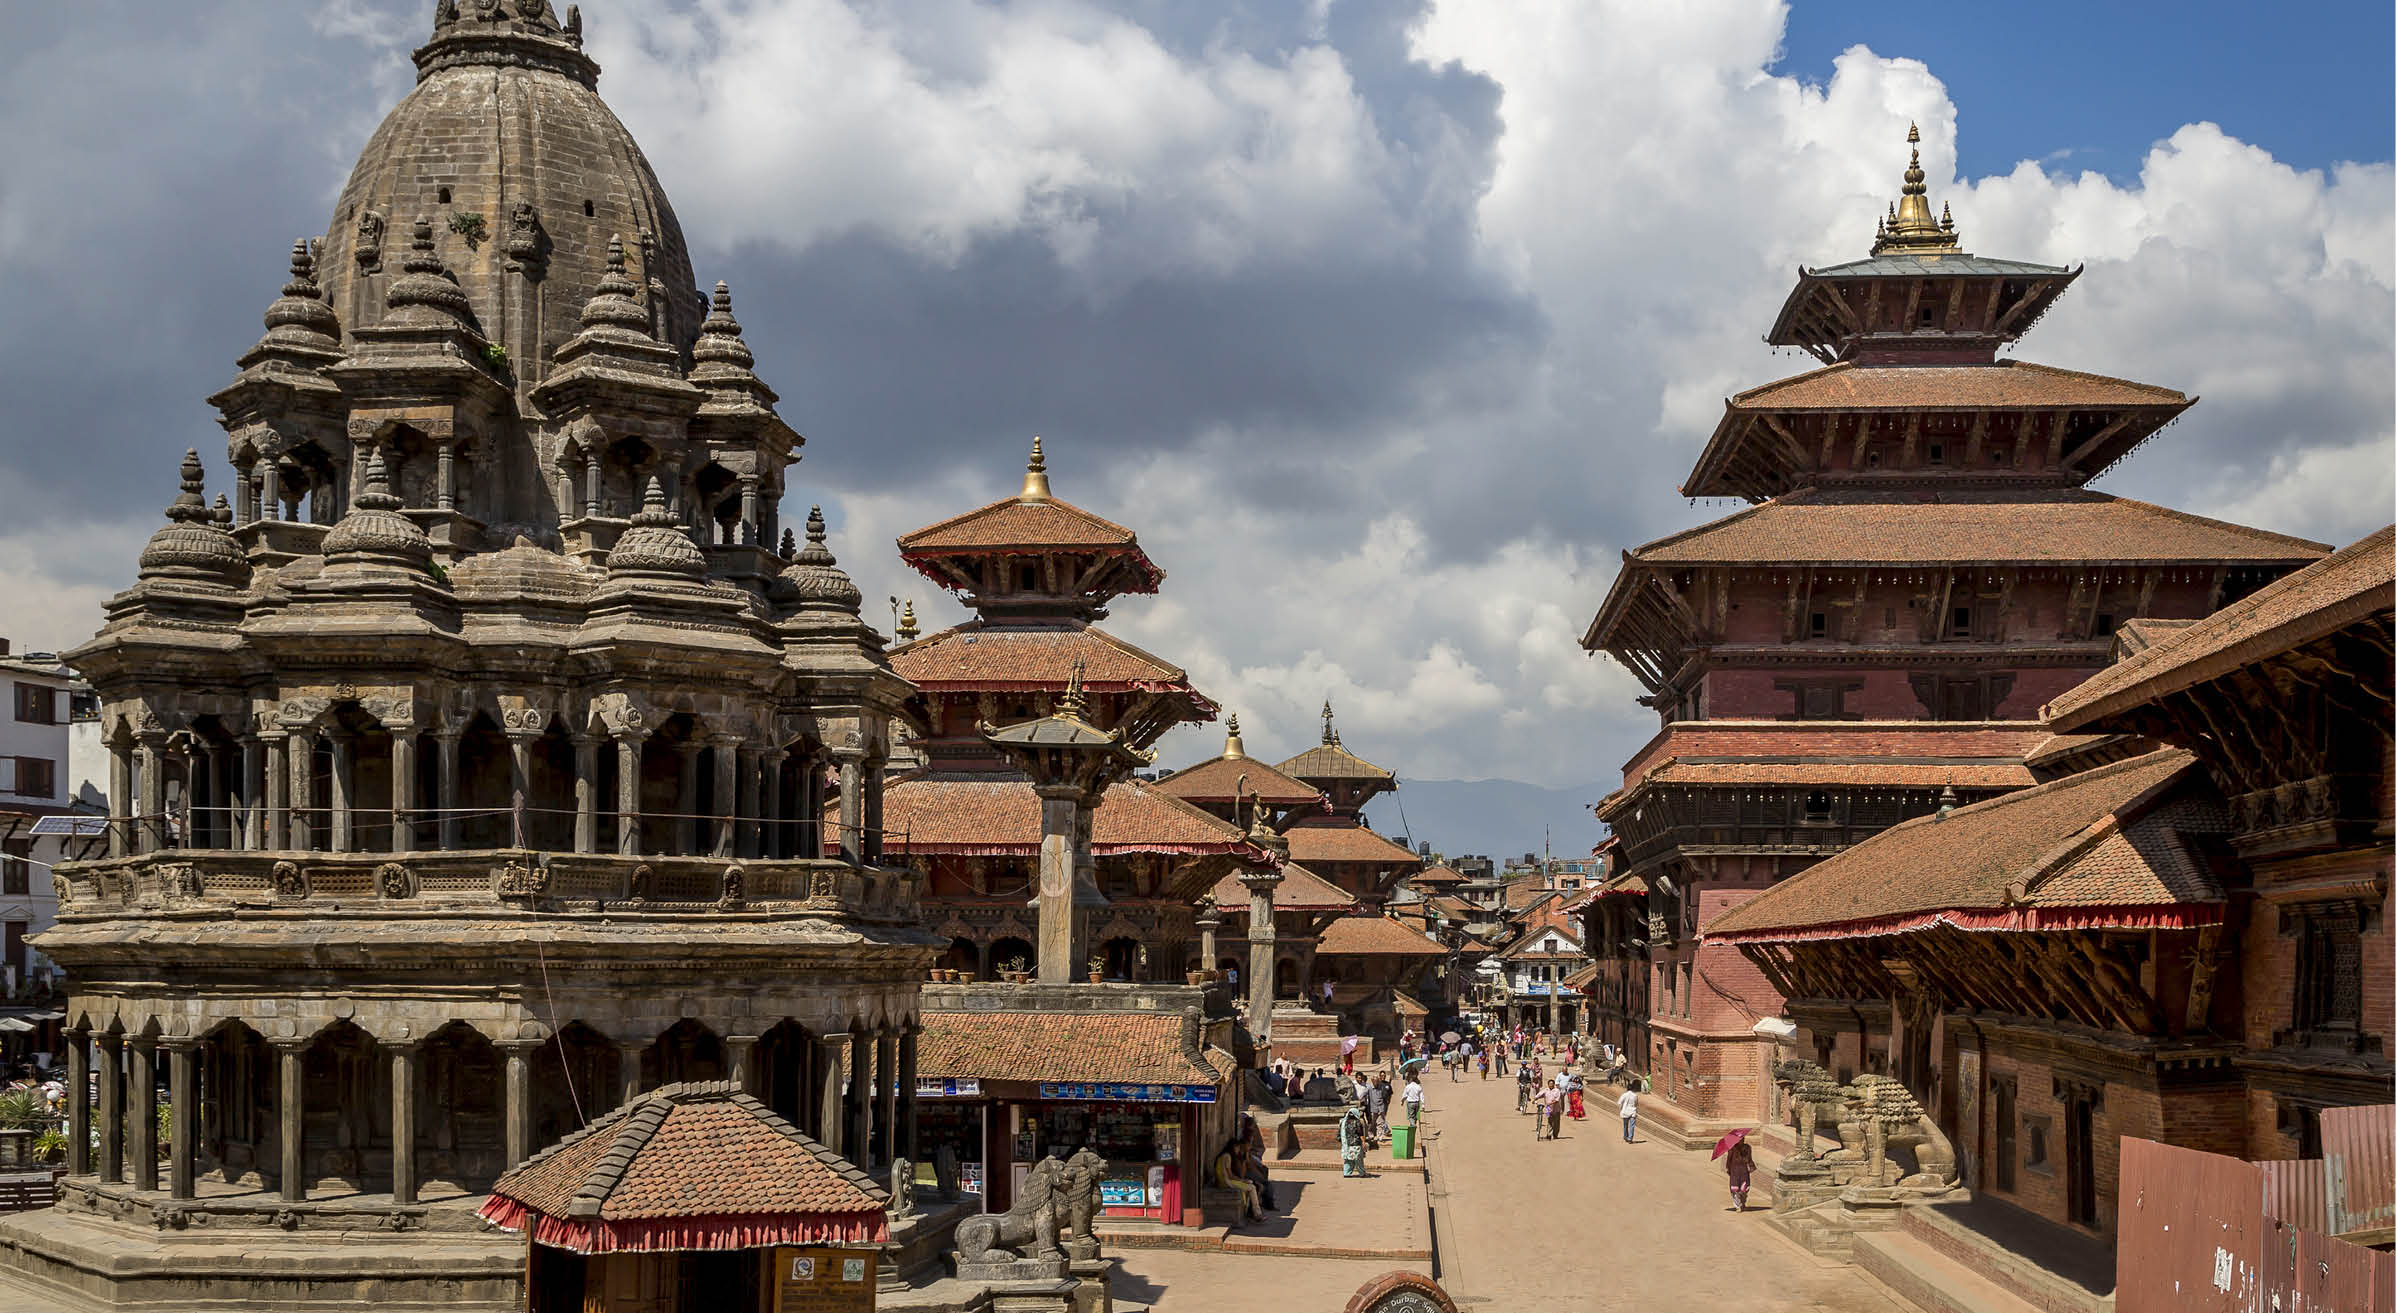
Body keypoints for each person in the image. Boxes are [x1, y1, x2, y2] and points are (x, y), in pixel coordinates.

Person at [1214, 1139, 1263, 1226]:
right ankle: (1257, 1214)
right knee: (1252, 1187)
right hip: (1226, 1182)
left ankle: (1250, 1213)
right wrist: (1242, 1181)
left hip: (1223, 1181)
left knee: (1249, 1185)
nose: (1238, 1150)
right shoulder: (1227, 1156)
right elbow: (1230, 1176)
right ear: (1233, 1148)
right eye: (1237, 1148)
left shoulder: (1223, 1156)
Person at [1724, 1136, 1756, 1211]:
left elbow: (1749, 1158)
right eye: (1740, 1140)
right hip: (1734, 1169)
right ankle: (1738, 1205)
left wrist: (1751, 1165)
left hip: (1744, 1170)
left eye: (1742, 1139)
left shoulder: (1747, 1148)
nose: (1741, 1141)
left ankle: (1743, 1201)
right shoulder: (1732, 1148)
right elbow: (1729, 1159)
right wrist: (1728, 1168)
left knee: (1744, 1188)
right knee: (1735, 1189)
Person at [1339, 1105, 1368, 1177]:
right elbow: (1360, 1133)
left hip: (1346, 1144)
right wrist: (1364, 1142)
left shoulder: (1343, 1122)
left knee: (1348, 1159)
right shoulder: (1357, 1122)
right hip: (1356, 1144)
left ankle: (1346, 1173)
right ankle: (1362, 1173)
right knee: (1359, 1159)